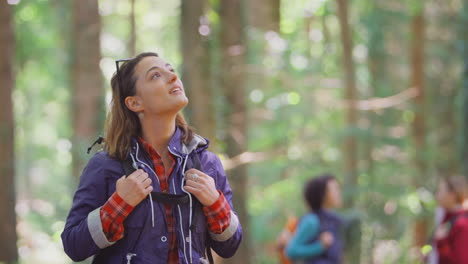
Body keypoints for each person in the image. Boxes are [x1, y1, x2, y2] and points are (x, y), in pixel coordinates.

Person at [61, 52, 242, 264]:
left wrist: (214, 201)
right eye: (155, 75)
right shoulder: (105, 166)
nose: (173, 77)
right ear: (135, 103)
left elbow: (230, 246)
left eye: (171, 71)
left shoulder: (208, 164)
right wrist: (119, 204)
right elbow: (73, 245)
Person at [286, 174, 343, 264]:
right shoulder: (312, 220)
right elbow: (291, 251)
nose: (339, 192)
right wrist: (320, 246)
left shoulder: (333, 219)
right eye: (335, 189)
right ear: (323, 194)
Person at [433, 176, 468, 264]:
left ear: (452, 195)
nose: (437, 195)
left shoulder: (462, 224)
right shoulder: (447, 218)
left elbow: (461, 261)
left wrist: (441, 243)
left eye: (440, 191)